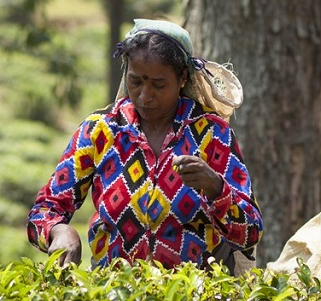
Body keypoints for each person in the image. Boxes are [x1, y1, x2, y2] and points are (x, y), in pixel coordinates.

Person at [27, 19, 263, 274]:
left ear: (182, 77)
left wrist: (216, 187)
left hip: (195, 290)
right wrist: (59, 231)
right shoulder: (101, 132)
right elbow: (44, 211)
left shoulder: (212, 134)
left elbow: (250, 233)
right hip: (116, 289)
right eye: (136, 81)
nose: (144, 95)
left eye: (159, 85)